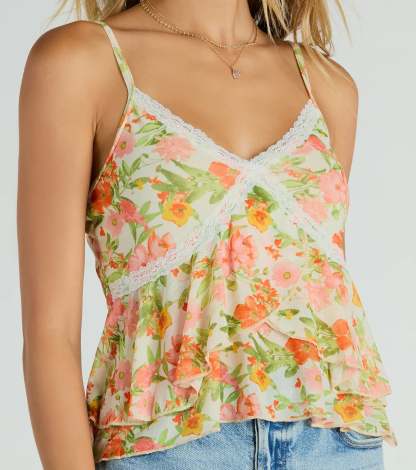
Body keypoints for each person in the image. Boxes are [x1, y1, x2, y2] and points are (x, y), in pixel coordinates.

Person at [17, 1, 397, 469]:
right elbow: (50, 336)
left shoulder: (326, 85)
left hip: (336, 444)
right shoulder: (82, 62)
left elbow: (322, 291)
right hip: (171, 448)